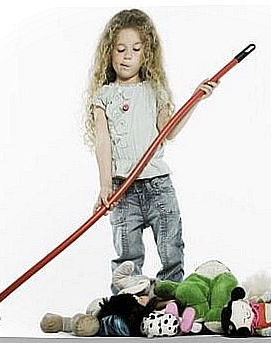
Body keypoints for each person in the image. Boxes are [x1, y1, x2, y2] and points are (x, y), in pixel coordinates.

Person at [84, 8, 218, 294]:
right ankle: (130, 305)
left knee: (171, 251)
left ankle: (173, 302)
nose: (127, 55)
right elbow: (103, 143)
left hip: (158, 188)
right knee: (127, 257)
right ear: (109, 52)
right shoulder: (103, 96)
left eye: (135, 49)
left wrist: (195, 99)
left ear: (147, 53)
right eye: (120, 49)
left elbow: (168, 131)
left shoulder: (155, 90)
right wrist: (105, 186)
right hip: (122, 190)